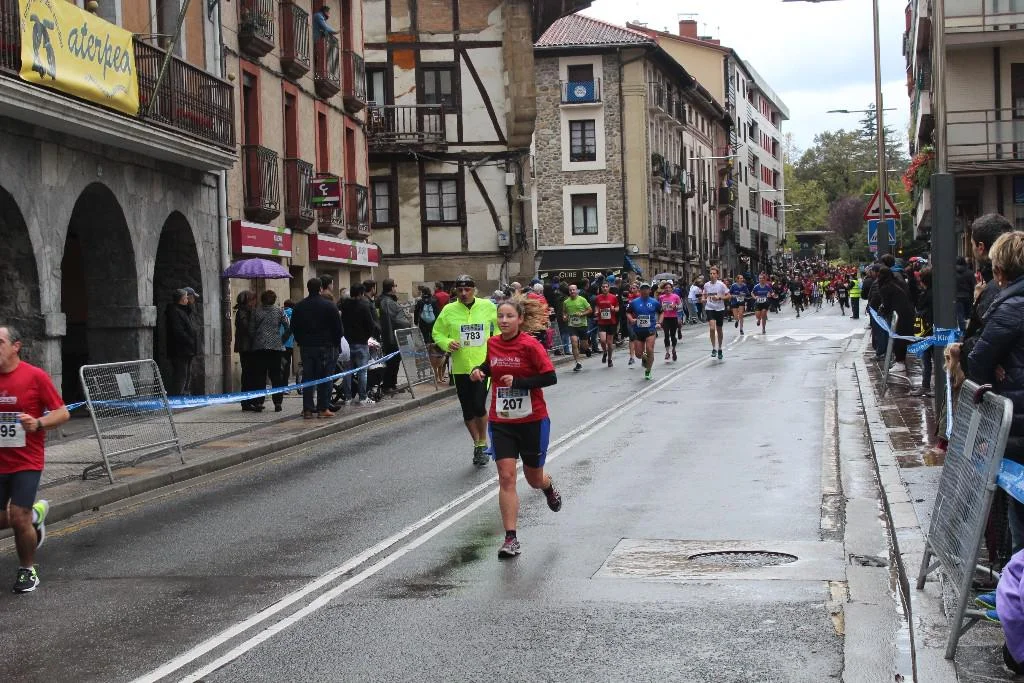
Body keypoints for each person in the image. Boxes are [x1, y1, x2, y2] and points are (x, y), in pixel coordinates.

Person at [469, 298, 561, 559]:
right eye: (501, 316)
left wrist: (520, 382)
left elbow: (550, 376)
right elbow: (490, 366)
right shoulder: (493, 343)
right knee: (506, 477)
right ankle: (511, 538)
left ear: (520, 319)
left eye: (509, 316)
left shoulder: (530, 345)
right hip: (502, 421)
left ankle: (547, 487)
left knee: (533, 479)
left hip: (532, 421)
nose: (504, 320)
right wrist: (479, 371)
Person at [0, 324, 69, 592]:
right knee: (11, 519)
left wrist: (38, 423)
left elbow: (62, 413)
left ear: (15, 347)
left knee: (18, 516)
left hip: (26, 460)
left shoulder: (34, 376)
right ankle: (35, 517)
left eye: (0, 342)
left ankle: (27, 570)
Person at [968, 232, 1024, 556]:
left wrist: (995, 365)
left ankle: (1015, 580)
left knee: (1018, 514)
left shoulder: (1010, 307)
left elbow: (978, 360)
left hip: (1018, 423)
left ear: (1000, 270)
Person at [432, 274, 499, 467]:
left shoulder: (487, 306)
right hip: (460, 367)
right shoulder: (449, 310)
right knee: (467, 410)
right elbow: (437, 332)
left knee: (479, 405)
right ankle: (477, 444)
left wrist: (496, 344)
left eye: (467, 289)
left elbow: (500, 326)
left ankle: (483, 443)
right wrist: (447, 342)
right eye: (460, 290)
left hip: (482, 366)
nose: (463, 293)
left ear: (474, 290)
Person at [291, 278, 344, 419]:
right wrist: (335, 342)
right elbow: (338, 328)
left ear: (308, 289)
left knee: (308, 378)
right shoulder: (329, 306)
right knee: (325, 377)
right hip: (327, 346)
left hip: (307, 346)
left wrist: (301, 340)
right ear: (320, 288)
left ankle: (307, 409)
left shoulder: (299, 306)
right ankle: (322, 408)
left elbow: (294, 327)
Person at [340, 283, 380, 406]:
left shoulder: (344, 305)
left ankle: (347, 397)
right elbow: (370, 325)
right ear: (361, 293)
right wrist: (366, 337)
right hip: (361, 343)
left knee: (347, 372)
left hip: (347, 342)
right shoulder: (363, 306)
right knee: (362, 371)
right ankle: (363, 397)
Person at [251, 290, 289, 412]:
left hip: (259, 347)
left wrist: (256, 339)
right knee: (276, 376)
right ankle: (277, 402)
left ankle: (259, 402)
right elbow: (288, 326)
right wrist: (283, 339)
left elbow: (251, 329)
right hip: (276, 347)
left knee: (259, 375)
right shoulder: (280, 311)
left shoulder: (256, 311)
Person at [876, 266, 916, 374]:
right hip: (907, 312)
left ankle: (900, 362)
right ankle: (900, 360)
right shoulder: (897, 282)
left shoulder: (885, 287)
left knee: (898, 338)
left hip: (898, 315)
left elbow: (887, 305)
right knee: (902, 338)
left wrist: (882, 311)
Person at [378, 278, 412, 395]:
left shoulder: (388, 300)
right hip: (392, 337)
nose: (395, 289)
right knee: (392, 363)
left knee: (395, 362)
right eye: (394, 286)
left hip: (393, 336)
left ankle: (392, 384)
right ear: (391, 288)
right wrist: (407, 322)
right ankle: (388, 385)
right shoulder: (387, 302)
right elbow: (395, 320)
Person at [626, 282, 662, 381]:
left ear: (649, 290)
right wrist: (631, 319)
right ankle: (644, 357)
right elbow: (628, 312)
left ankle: (648, 371)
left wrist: (659, 322)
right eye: (643, 289)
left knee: (650, 349)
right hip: (638, 330)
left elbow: (661, 312)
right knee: (638, 354)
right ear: (640, 290)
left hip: (650, 329)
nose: (645, 290)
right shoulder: (634, 302)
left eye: (646, 289)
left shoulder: (654, 302)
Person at [165, 288, 198, 396]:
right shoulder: (174, 311)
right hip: (180, 349)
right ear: (182, 299)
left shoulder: (183, 310)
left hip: (187, 349)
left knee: (187, 374)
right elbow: (178, 331)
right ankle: (178, 397)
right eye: (186, 298)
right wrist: (190, 340)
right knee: (181, 375)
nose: (188, 300)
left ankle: (184, 394)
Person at [234, 291, 261, 412]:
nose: (255, 302)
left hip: (251, 347)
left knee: (253, 375)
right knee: (248, 375)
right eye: (253, 300)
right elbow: (247, 328)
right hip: (246, 348)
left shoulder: (249, 311)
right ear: (248, 301)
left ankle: (253, 401)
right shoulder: (242, 312)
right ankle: (247, 402)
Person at [561, 284, 592, 373]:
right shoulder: (566, 302)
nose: (572, 291)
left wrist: (582, 314)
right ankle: (578, 363)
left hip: (582, 325)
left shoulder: (582, 300)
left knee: (583, 345)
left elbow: (590, 310)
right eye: (570, 290)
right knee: (574, 342)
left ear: (577, 290)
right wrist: (564, 316)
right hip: (572, 325)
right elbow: (564, 312)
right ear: (569, 291)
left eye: (573, 290)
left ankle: (587, 349)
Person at [702, 267, 730, 360]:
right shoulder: (706, 285)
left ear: (717, 275)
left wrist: (719, 298)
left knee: (719, 329)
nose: (712, 275)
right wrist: (703, 299)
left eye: (714, 273)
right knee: (712, 328)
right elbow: (704, 295)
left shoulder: (721, 285)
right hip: (710, 308)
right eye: (711, 273)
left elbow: (728, 295)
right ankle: (714, 348)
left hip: (720, 309)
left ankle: (720, 348)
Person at [593, 281, 619, 367]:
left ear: (609, 288)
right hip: (602, 322)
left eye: (606, 287)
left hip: (611, 322)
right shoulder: (598, 297)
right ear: (601, 288)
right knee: (603, 340)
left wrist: (614, 309)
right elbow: (596, 306)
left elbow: (617, 308)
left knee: (610, 343)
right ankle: (605, 352)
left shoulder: (613, 297)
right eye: (603, 287)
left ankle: (609, 359)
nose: (605, 288)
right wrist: (596, 311)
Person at [658, 281, 683, 361]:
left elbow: (680, 306)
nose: (667, 289)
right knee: (666, 335)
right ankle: (667, 352)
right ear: (664, 289)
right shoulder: (661, 297)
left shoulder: (675, 296)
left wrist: (675, 306)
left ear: (672, 289)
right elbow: (659, 308)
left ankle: (674, 350)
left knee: (672, 335)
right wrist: (661, 308)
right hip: (665, 318)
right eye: (666, 288)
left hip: (673, 318)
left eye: (669, 288)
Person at [955, 256, 975, 331]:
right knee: (968, 315)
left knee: (960, 315)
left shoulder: (952, 273)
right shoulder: (970, 273)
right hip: (968, 296)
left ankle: (963, 331)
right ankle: (968, 329)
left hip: (957, 296)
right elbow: (973, 285)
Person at [281, 299, 296, 388]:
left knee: (279, 365)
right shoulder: (294, 314)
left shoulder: (279, 313)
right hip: (289, 343)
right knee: (287, 365)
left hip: (278, 343)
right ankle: (285, 386)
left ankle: (278, 385)